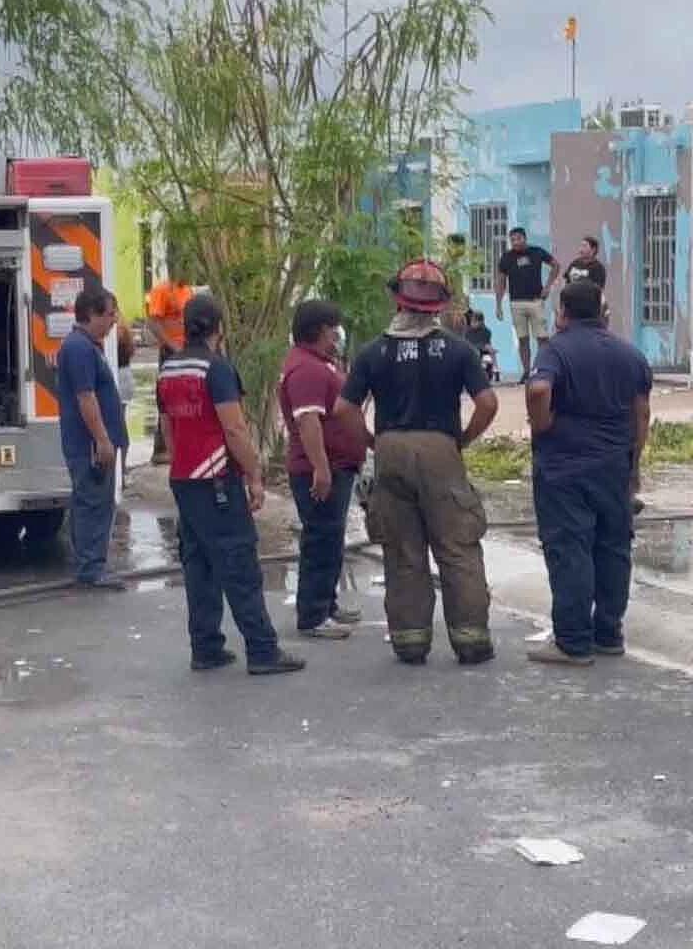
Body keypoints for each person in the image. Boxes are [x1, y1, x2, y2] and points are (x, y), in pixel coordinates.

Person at [334, 259, 500, 666]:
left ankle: (410, 641)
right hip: (441, 448)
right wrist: (461, 439)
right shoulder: (459, 350)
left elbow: (343, 410)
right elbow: (488, 403)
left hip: (391, 448)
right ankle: (471, 641)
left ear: (395, 299)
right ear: (440, 305)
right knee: (457, 545)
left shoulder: (373, 352)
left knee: (403, 549)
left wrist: (373, 442)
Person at [158, 294, 304, 674]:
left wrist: (180, 465)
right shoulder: (216, 369)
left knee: (199, 565)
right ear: (219, 328)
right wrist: (254, 474)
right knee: (238, 564)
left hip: (185, 480)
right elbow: (235, 429)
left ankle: (205, 647)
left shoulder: (169, 368)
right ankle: (262, 650)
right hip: (217, 482)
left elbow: (167, 427)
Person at [525, 280, 651, 665]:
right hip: (614, 466)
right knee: (613, 547)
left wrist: (542, 424)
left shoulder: (555, 351)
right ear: (601, 312)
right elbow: (641, 413)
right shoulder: (630, 354)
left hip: (564, 468)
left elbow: (538, 391)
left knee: (571, 548)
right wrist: (633, 459)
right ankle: (608, 632)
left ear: (562, 312)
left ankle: (573, 642)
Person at [278, 300, 365, 640]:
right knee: (320, 540)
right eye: (333, 329)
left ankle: (326, 605)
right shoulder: (307, 370)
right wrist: (321, 469)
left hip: (336, 466)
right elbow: (308, 420)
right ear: (318, 331)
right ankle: (313, 615)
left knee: (330, 539)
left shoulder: (318, 364)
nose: (337, 335)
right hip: (319, 469)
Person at [56, 288, 129, 592]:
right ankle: (91, 567)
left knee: (93, 501)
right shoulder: (79, 349)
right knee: (93, 503)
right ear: (93, 314)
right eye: (110, 314)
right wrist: (102, 440)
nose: (115, 321)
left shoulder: (86, 346)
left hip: (92, 442)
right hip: (89, 445)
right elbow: (86, 398)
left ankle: (92, 564)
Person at [494, 228, 560, 382]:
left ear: (525, 238)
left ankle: (543, 369)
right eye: (512, 240)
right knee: (522, 339)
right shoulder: (507, 257)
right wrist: (498, 305)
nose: (515, 242)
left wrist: (548, 286)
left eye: (518, 239)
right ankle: (526, 371)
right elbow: (501, 281)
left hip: (535, 301)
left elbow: (556, 265)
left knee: (542, 338)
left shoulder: (536, 252)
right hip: (516, 303)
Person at [144, 274, 195, 465]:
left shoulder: (187, 290)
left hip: (188, 350)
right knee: (167, 399)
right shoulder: (162, 290)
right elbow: (153, 322)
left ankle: (181, 444)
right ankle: (162, 448)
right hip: (171, 351)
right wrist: (172, 345)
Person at [464, 310, 498, 381]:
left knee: (490, 349)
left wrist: (490, 349)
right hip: (473, 350)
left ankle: (496, 369)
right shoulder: (467, 331)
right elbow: (468, 344)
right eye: (472, 321)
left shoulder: (486, 331)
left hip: (483, 349)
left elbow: (486, 343)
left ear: (481, 322)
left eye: (474, 321)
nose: (472, 323)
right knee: (476, 351)